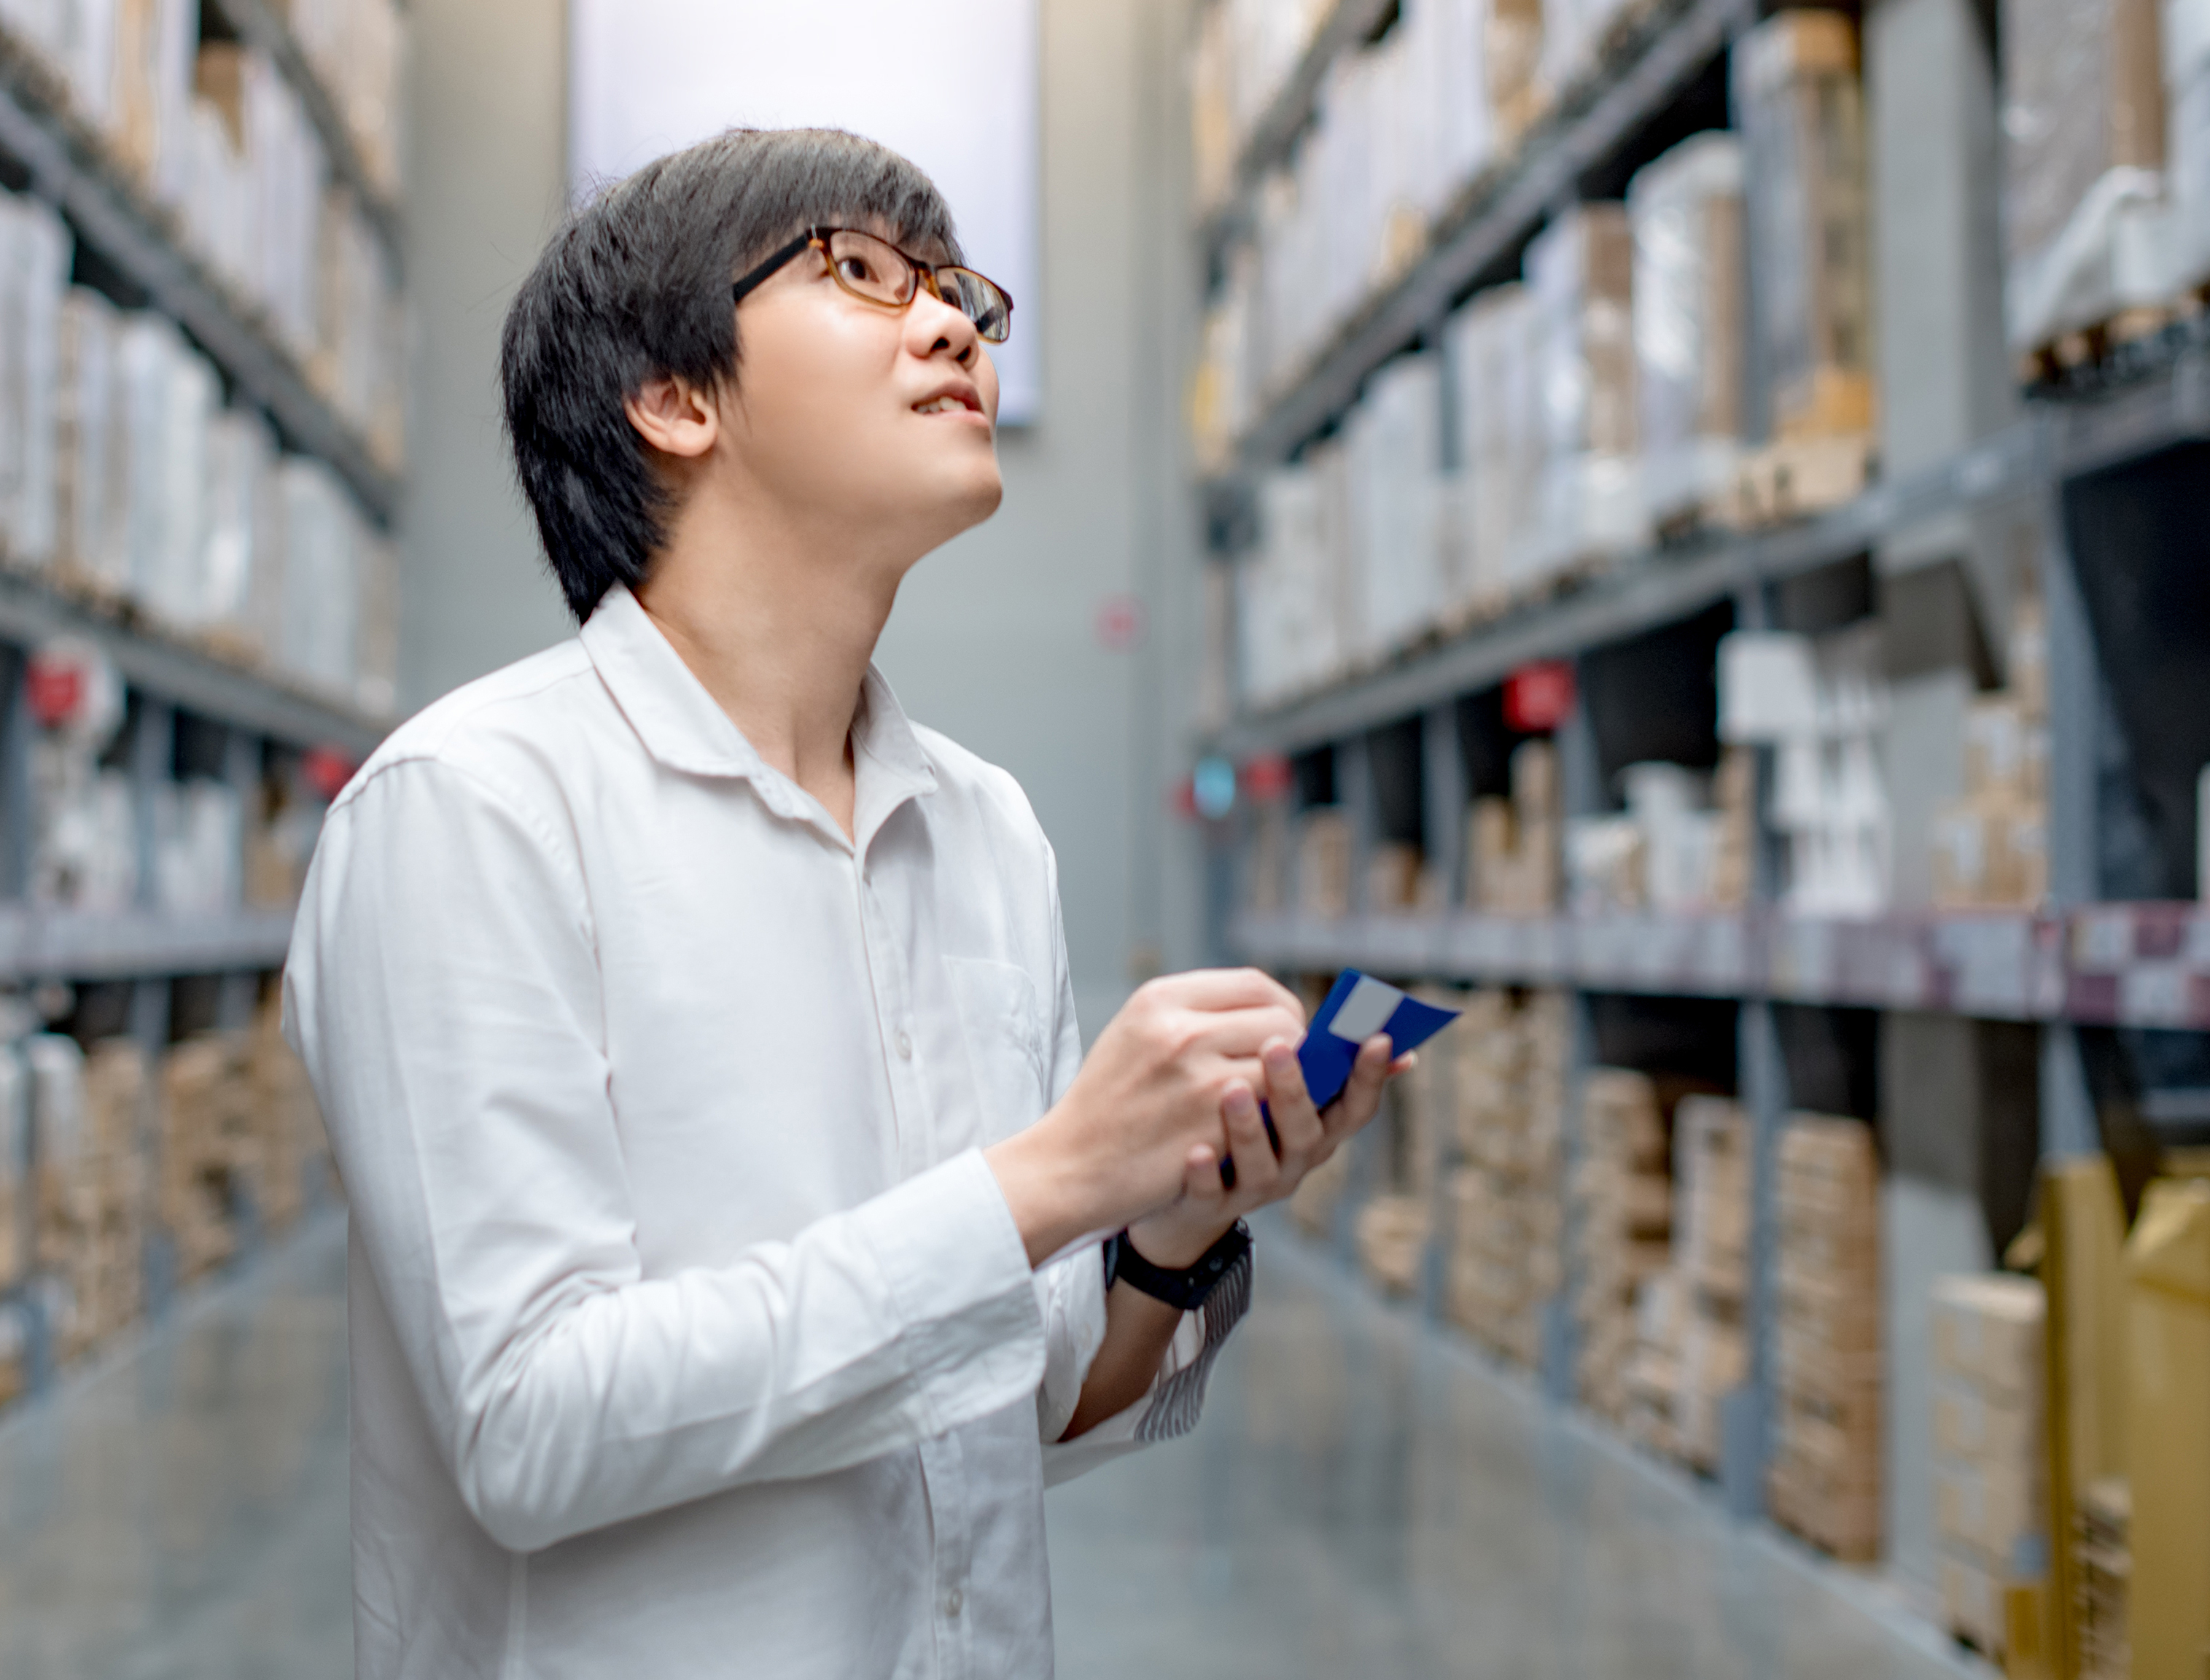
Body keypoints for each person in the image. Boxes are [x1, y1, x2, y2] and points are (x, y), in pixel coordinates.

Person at [286, 127, 1400, 1677]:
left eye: (955, 289)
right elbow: (527, 1423)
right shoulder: (473, 812)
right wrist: (1048, 1179)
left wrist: (1165, 1221)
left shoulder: (984, 833)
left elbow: (1006, 1405)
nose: (949, 322)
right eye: (858, 275)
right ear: (676, 399)